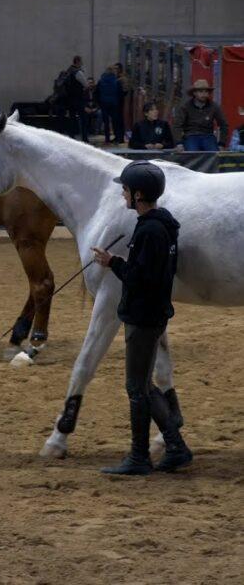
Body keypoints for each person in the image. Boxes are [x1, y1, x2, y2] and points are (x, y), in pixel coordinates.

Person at [92, 161, 192, 476]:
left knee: (137, 388)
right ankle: (175, 447)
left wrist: (113, 263)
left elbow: (142, 278)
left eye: (125, 189)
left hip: (143, 316)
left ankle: (141, 456)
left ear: (137, 195)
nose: (122, 193)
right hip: (151, 313)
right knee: (143, 385)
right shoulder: (160, 225)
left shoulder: (150, 230)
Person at [172, 79, 228, 151]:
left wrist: (221, 143)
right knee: (192, 153)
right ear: (194, 93)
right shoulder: (185, 107)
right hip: (191, 136)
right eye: (201, 91)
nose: (204, 94)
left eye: (206, 92)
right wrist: (179, 143)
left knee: (214, 154)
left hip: (208, 136)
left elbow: (224, 124)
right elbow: (177, 125)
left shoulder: (214, 106)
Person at [64, 55, 89, 142]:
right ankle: (85, 138)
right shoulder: (78, 72)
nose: (82, 63)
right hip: (78, 99)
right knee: (83, 119)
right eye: (81, 62)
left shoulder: (68, 71)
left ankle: (72, 138)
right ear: (78, 62)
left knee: (72, 119)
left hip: (69, 99)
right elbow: (86, 85)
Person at [97, 66, 123, 144]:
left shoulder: (101, 81)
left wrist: (99, 102)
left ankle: (107, 138)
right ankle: (117, 138)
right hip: (114, 104)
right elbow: (120, 93)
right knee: (115, 121)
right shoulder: (117, 81)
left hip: (104, 103)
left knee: (106, 122)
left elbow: (97, 92)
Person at [114, 62, 129, 142]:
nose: (115, 70)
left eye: (116, 68)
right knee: (116, 119)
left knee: (119, 119)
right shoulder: (116, 77)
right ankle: (117, 136)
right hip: (115, 100)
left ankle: (120, 137)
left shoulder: (122, 78)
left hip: (120, 101)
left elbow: (126, 90)